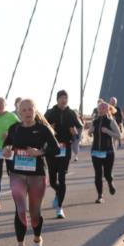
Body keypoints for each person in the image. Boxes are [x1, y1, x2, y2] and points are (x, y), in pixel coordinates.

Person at [1, 98, 59, 246]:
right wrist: (6, 150)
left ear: (35, 111)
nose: (27, 113)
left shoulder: (42, 129)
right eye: (23, 110)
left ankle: (37, 239)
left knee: (34, 213)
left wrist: (39, 152)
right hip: (17, 174)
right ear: (19, 112)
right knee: (20, 209)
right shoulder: (15, 128)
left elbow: (55, 148)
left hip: (37, 175)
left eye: (29, 109)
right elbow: (7, 145)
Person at [43, 90, 82, 219]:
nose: (64, 100)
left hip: (65, 149)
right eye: (62, 98)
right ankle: (58, 192)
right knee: (53, 181)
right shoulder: (49, 113)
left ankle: (60, 207)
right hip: (52, 150)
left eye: (66, 98)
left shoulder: (71, 113)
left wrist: (75, 133)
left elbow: (80, 127)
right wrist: (49, 128)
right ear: (57, 99)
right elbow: (42, 126)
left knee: (62, 178)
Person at [87, 101, 120, 203]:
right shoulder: (95, 121)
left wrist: (108, 131)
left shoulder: (111, 121)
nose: (101, 110)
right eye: (100, 108)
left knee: (107, 174)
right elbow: (89, 134)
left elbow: (118, 135)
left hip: (108, 151)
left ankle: (110, 182)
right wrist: (90, 131)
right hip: (96, 151)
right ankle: (100, 196)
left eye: (103, 108)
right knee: (98, 174)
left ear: (108, 110)